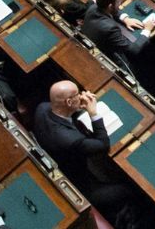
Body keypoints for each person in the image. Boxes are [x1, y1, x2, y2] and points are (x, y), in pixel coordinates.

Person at [31, 81, 138, 224]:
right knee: (129, 189)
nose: (82, 95)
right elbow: (103, 145)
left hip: (64, 163)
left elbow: (65, 118)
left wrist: (74, 108)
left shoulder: (42, 108)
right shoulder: (70, 140)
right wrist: (93, 113)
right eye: (78, 94)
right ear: (68, 101)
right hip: (82, 188)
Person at [80, 0, 155, 72]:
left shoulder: (93, 7)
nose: (120, 3)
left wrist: (125, 19)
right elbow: (133, 50)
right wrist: (147, 30)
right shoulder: (110, 28)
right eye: (118, 1)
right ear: (110, 6)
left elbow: (113, 11)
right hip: (107, 58)